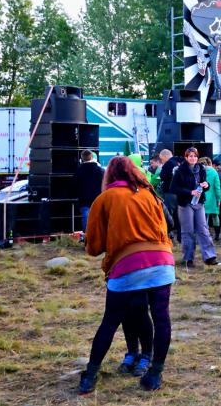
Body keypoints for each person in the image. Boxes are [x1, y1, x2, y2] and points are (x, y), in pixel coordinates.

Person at [78, 157, 174, 394]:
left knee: (110, 321)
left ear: (109, 175)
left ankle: (90, 375)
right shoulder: (150, 195)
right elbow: (165, 229)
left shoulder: (105, 199)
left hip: (127, 265)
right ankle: (155, 372)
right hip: (162, 262)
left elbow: (94, 247)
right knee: (161, 317)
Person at [170, 148, 220, 267]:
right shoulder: (180, 171)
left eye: (195, 156)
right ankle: (188, 259)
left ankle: (210, 257)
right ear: (186, 157)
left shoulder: (201, 169)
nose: (193, 158)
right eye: (190, 156)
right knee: (188, 231)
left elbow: (205, 184)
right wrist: (190, 192)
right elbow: (173, 188)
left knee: (203, 229)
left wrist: (206, 185)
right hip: (185, 204)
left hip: (199, 203)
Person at [73, 149, 104, 238]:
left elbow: (74, 185)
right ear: (91, 157)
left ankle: (87, 237)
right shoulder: (99, 170)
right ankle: (99, 237)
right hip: (97, 197)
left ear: (82, 158)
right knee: (98, 217)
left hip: (83, 198)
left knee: (85, 216)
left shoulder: (79, 171)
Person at [157, 149, 179, 239]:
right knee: (178, 214)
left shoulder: (168, 164)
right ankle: (180, 235)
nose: (162, 161)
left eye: (162, 159)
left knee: (168, 213)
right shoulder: (178, 162)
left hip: (170, 192)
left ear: (165, 156)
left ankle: (169, 234)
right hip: (179, 192)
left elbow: (162, 176)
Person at [199, 157, 221, 242]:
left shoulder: (199, 172)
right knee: (215, 216)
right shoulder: (214, 172)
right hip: (213, 199)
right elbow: (217, 187)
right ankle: (217, 236)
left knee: (203, 218)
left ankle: (204, 235)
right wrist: (219, 199)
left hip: (201, 198)